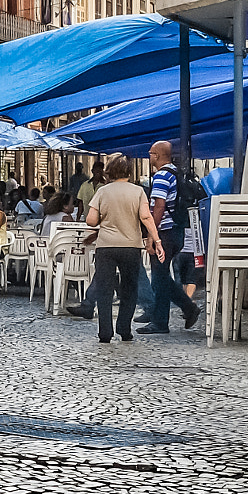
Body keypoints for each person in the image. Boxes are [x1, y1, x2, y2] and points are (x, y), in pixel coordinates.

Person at [84, 154, 164, 343]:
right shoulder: (138, 192)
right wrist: (157, 240)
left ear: (110, 171)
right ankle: (124, 327)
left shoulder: (102, 191)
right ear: (129, 172)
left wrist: (105, 218)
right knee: (129, 288)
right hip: (131, 247)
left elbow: (91, 220)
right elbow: (146, 217)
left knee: (105, 289)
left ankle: (105, 332)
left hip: (106, 247)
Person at [140, 141, 201, 333]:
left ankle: (162, 320)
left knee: (159, 276)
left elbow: (159, 206)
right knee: (162, 275)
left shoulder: (161, 176)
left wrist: (152, 234)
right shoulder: (176, 173)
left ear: (157, 155)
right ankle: (183, 309)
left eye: (151, 153)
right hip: (177, 230)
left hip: (165, 232)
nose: (149, 157)